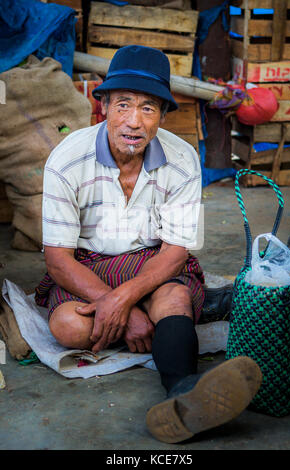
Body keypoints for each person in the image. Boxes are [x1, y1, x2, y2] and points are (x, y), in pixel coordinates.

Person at [35, 45, 262, 444]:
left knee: (172, 301)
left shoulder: (182, 159)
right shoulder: (66, 160)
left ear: (162, 115)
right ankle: (194, 310)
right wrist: (127, 309)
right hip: (89, 262)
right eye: (123, 105)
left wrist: (122, 301)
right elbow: (57, 260)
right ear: (102, 105)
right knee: (68, 326)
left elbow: (175, 250)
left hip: (153, 260)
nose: (134, 122)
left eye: (148, 108)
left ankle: (182, 392)